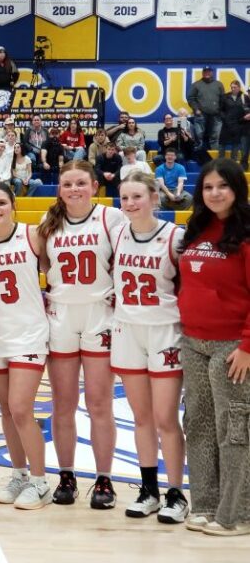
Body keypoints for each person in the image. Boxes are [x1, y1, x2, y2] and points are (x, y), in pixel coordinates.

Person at [38, 160, 125, 509]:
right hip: (61, 316)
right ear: (59, 189)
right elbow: (44, 267)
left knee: (99, 403)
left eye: (80, 183)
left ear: (94, 186)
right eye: (68, 184)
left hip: (99, 315)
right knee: (63, 404)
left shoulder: (111, 218)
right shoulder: (49, 222)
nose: (74, 189)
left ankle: (104, 479)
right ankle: (66, 475)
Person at [177, 158, 250, 536]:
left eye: (223, 186)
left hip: (233, 346)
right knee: (198, 424)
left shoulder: (247, 233)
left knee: (233, 428)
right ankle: (205, 504)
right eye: (208, 187)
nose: (215, 193)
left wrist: (247, 345)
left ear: (237, 189)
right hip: (193, 341)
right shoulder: (197, 228)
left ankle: (237, 514)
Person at [111, 172, 188, 524]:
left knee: (165, 419)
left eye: (137, 196)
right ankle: (149, 490)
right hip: (128, 330)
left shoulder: (175, 237)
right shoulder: (117, 232)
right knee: (140, 417)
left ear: (154, 198)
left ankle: (176, 493)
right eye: (124, 197)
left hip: (164, 332)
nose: (130, 203)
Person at [0, 182, 52, 509]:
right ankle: (19, 475)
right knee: (7, 411)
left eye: (1, 202)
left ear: (13, 205)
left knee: (21, 408)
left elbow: (52, 272)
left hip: (29, 333)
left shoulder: (32, 235)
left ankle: (40, 482)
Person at [187, 66, 224, 152]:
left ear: (212, 72)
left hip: (216, 115)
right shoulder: (196, 85)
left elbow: (223, 99)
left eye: (208, 71)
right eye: (205, 71)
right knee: (199, 137)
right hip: (201, 115)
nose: (207, 73)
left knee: (215, 137)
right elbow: (191, 98)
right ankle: (198, 155)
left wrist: (220, 111)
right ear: (202, 73)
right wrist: (196, 109)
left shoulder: (219, 84)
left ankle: (215, 155)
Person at [219, 81, 250, 162]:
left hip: (238, 124)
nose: (233, 89)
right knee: (222, 144)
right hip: (226, 124)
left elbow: (247, 109)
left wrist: (244, 118)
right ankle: (220, 163)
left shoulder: (244, 97)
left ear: (239, 87)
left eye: (234, 87)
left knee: (236, 144)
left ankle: (233, 163)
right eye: (231, 87)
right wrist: (225, 118)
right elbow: (220, 110)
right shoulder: (225, 97)